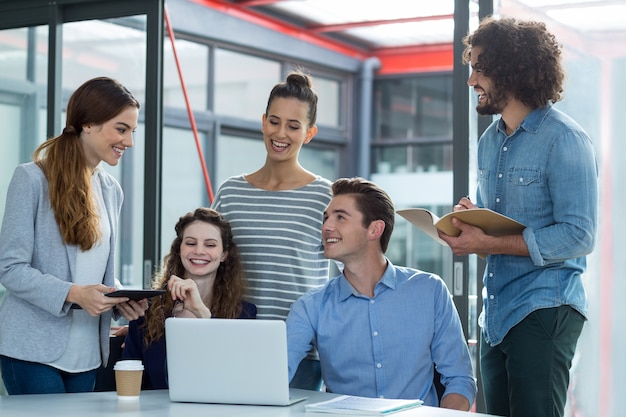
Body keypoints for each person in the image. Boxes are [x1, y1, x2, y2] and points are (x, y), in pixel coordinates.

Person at [437, 17, 598, 417]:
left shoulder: (565, 140)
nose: (471, 79)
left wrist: (489, 242)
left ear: (512, 68)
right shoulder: (490, 142)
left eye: (479, 67)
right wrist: (471, 224)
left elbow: (579, 235)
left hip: (544, 308)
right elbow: (497, 226)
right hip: (496, 313)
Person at [0, 76, 148, 395]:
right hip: (32, 351)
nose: (130, 142)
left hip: (87, 356)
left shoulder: (111, 190)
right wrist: (75, 293)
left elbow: (95, 272)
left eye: (132, 132)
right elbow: (9, 268)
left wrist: (122, 298)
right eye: (121, 129)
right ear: (89, 124)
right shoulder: (32, 179)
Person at [286, 177, 477, 410]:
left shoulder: (430, 290)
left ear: (375, 229)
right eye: (326, 217)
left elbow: (460, 379)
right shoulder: (310, 307)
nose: (326, 226)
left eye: (340, 217)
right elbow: (274, 375)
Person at [211, 70, 332, 320]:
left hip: (303, 347)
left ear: (309, 133)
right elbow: (205, 264)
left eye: (293, 126)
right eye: (274, 122)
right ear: (263, 121)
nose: (280, 134)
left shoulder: (326, 197)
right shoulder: (230, 192)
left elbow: (355, 271)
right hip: (235, 338)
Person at [121, 207, 256, 389]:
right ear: (179, 249)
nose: (199, 251)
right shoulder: (148, 309)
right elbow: (131, 379)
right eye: (191, 243)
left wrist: (201, 312)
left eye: (210, 245)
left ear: (224, 254)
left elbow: (238, 376)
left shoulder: (244, 314)